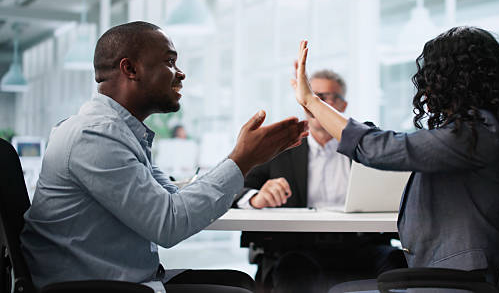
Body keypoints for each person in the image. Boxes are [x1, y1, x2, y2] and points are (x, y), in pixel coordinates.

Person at [20, 21, 308, 293]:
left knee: (240, 282)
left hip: (123, 276)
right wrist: (243, 160)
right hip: (97, 285)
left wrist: (246, 159)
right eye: (170, 62)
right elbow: (168, 225)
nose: (180, 73)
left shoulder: (121, 132)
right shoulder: (94, 136)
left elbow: (172, 197)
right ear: (130, 68)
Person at [291, 27, 499, 290]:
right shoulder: (485, 128)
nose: (426, 87)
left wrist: (311, 101)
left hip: (462, 280)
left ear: (453, 79)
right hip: (459, 273)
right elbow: (390, 145)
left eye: (432, 76)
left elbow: (378, 148)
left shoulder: (475, 132)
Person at [233, 69, 406, 293]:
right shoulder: (280, 148)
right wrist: (256, 198)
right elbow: (234, 186)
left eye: (330, 98)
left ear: (343, 106)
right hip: (298, 249)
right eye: (316, 98)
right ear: (304, 103)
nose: (321, 104)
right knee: (292, 271)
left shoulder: (365, 147)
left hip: (361, 246)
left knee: (396, 263)